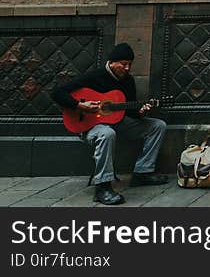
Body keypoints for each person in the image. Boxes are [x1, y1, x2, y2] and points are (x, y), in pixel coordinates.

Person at [51, 42, 168, 205]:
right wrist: (79, 105)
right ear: (112, 62)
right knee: (107, 133)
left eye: (130, 65)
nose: (127, 68)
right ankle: (103, 187)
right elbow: (57, 93)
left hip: (118, 122)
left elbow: (129, 110)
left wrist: (141, 111)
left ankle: (143, 172)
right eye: (123, 64)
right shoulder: (94, 77)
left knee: (157, 126)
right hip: (90, 126)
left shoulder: (128, 81)